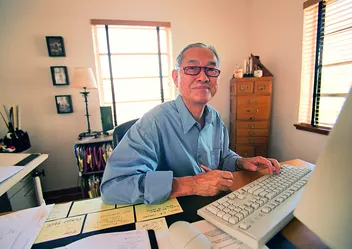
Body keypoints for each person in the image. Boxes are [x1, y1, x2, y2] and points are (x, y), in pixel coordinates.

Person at [100, 43, 280, 205]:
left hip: (214, 208)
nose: (203, 77)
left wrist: (242, 162)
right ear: (176, 77)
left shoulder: (215, 118)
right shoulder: (153, 123)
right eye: (192, 68)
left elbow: (223, 158)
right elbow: (114, 186)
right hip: (172, 217)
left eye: (211, 70)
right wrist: (191, 184)